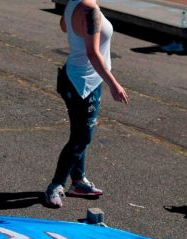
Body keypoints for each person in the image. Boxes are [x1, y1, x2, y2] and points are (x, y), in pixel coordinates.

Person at [43, 0, 130, 209]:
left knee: (80, 132)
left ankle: (79, 181)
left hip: (80, 77)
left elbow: (64, 26)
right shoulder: (90, 10)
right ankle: (55, 186)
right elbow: (92, 53)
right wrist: (114, 84)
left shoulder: (75, 2)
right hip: (82, 83)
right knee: (81, 138)